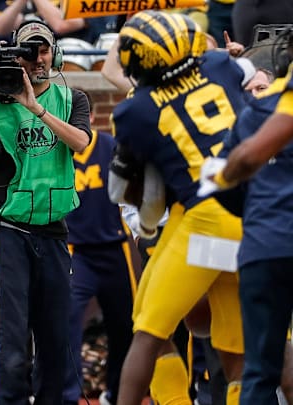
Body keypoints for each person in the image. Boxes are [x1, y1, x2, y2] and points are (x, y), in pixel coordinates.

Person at [106, 10, 251, 405]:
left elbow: (122, 190)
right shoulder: (222, 65)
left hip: (204, 219)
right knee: (239, 349)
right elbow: (240, 71)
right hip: (255, 216)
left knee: (149, 329)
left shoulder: (135, 111)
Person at [0, 20, 91, 404]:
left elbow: (81, 143)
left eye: (42, 50)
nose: (37, 58)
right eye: (28, 52)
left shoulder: (72, 98)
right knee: (10, 343)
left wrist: (35, 107)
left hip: (52, 230)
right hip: (6, 229)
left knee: (56, 342)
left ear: (53, 53)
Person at [198, 32, 293, 404]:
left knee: (259, 370)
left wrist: (251, 214)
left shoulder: (253, 114)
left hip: (261, 245)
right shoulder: (261, 111)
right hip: (259, 242)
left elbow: (221, 181)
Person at [63, 90, 135, 405]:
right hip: (73, 251)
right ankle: (68, 394)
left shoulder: (110, 146)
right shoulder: (56, 150)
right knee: (66, 322)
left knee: (126, 325)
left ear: (91, 118)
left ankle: (116, 393)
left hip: (115, 249)